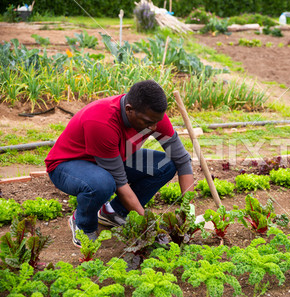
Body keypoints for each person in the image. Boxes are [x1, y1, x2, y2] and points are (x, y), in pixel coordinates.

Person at [45, 80, 194, 247]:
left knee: (167, 164)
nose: (153, 127)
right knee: (102, 183)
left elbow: (182, 160)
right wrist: (149, 228)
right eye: (147, 123)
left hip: (114, 158)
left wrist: (189, 213)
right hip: (69, 165)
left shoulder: (152, 117)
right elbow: (120, 183)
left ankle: (113, 212)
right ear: (129, 110)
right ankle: (83, 224)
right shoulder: (102, 121)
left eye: (156, 122)